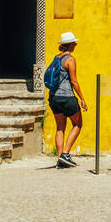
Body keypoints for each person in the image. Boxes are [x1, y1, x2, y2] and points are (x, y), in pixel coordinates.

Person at [44, 32, 87, 168]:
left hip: (53, 98)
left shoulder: (56, 58)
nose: (75, 44)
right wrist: (82, 98)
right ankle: (65, 154)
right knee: (78, 124)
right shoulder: (70, 59)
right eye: (74, 42)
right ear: (70, 44)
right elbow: (74, 81)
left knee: (60, 128)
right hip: (67, 97)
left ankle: (60, 159)